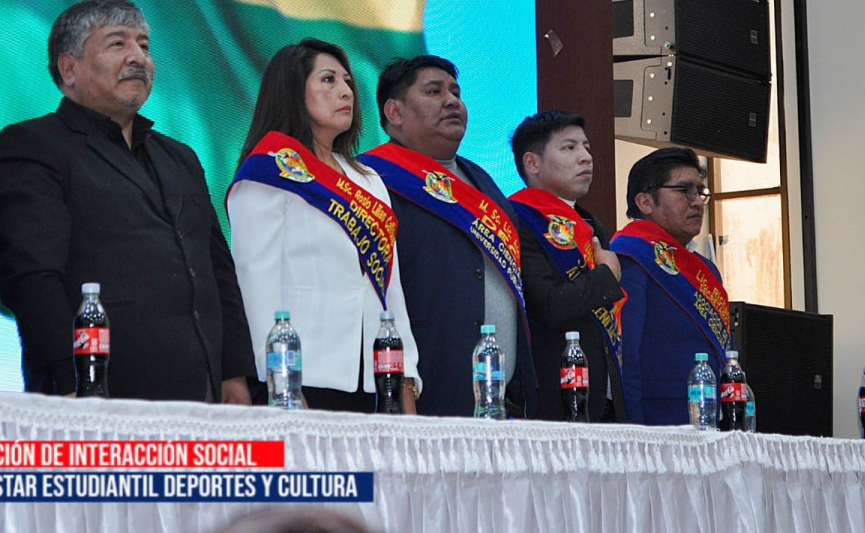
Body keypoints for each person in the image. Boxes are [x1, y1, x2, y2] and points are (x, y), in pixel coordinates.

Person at [0, 0, 253, 402]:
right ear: (69, 68)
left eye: (144, 46)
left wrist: (234, 373)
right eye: (117, 44)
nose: (138, 58)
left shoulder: (180, 157)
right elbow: (31, 276)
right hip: (98, 393)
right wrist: (69, 379)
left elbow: (217, 271)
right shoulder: (34, 145)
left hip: (202, 396)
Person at [227, 39, 420, 412]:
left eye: (347, 81)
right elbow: (255, 285)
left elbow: (390, 289)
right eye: (328, 80)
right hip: (304, 374)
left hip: (375, 377)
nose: (346, 92)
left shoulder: (368, 180)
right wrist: (281, 380)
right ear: (292, 91)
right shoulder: (269, 170)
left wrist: (406, 378)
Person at [358, 55, 537, 418]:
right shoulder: (371, 180)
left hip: (502, 397)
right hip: (425, 386)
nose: (452, 101)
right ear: (395, 112)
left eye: (456, 92)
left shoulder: (483, 182)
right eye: (434, 92)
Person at [509, 110, 626, 422]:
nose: (586, 157)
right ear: (532, 163)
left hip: (603, 395)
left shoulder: (590, 224)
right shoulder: (518, 219)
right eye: (569, 147)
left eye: (586, 147)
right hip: (554, 396)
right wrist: (606, 276)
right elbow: (548, 304)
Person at [609, 146, 730, 425]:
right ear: (645, 202)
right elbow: (626, 354)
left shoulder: (706, 268)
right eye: (684, 191)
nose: (697, 202)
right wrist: (634, 430)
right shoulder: (630, 256)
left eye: (700, 191)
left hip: (710, 416)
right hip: (658, 420)